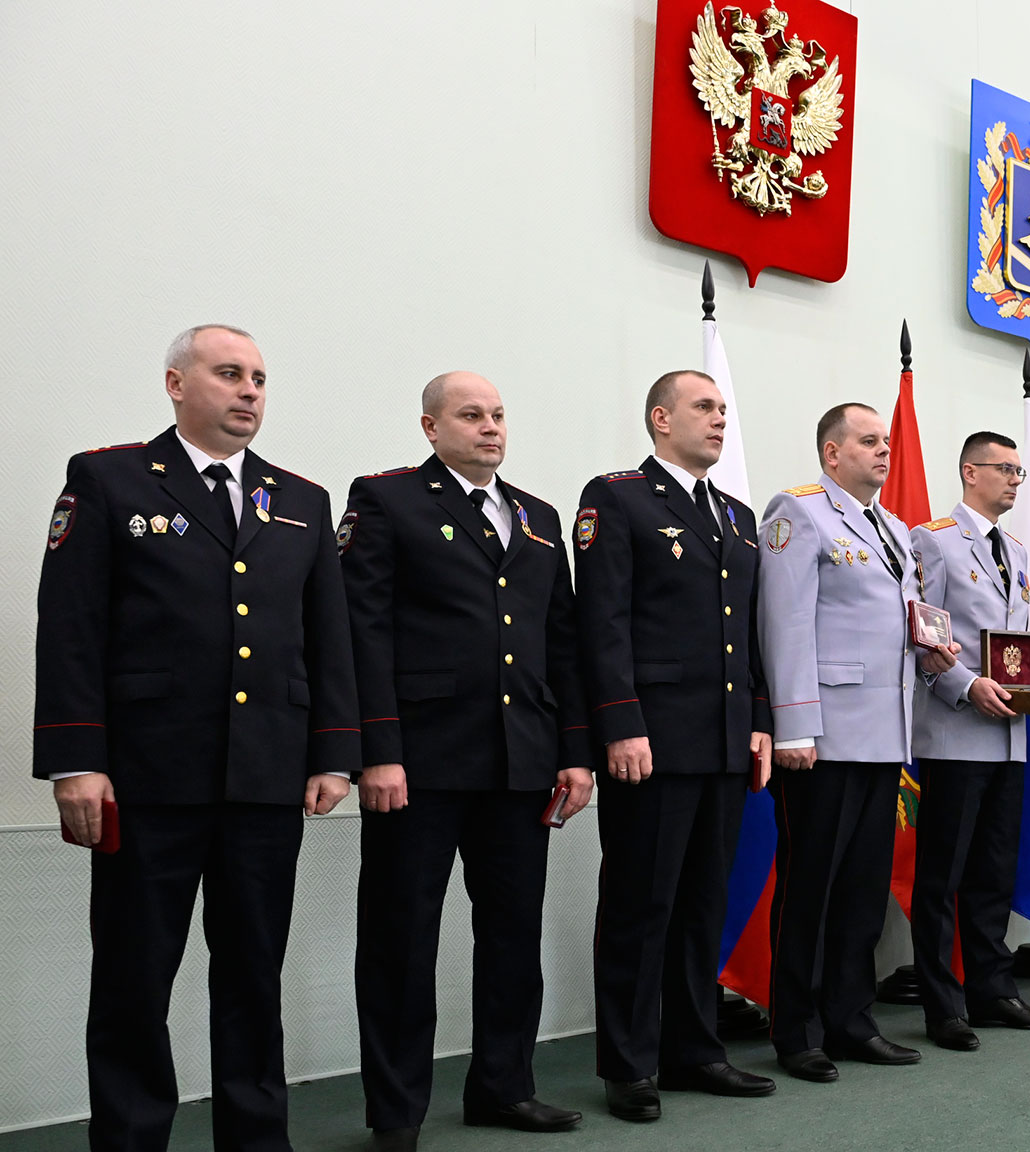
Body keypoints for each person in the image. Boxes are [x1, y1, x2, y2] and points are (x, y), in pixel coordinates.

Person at [34, 324, 356, 1152]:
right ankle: (131, 1138)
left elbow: (328, 639)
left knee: (253, 975)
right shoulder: (109, 479)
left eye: (259, 378)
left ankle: (256, 1138)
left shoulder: (301, 500)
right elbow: (70, 627)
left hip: (266, 777)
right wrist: (76, 761)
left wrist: (333, 752)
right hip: (148, 777)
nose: (249, 390)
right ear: (177, 384)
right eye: (229, 373)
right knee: (135, 978)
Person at [341, 372, 590, 1149]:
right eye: (471, 415)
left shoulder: (537, 516)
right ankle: (396, 1111)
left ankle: (503, 1087)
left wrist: (574, 752)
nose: (490, 427)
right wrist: (377, 751)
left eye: (498, 415)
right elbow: (363, 632)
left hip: (521, 762)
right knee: (401, 938)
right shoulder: (387, 501)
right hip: (420, 763)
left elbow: (561, 643)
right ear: (431, 427)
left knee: (513, 934)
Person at [573, 370, 776, 1120]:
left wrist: (759, 718)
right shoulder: (617, 497)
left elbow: (747, 629)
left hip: (723, 740)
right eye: (704, 407)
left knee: (702, 903)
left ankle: (694, 1050)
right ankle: (629, 1063)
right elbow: (602, 622)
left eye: (724, 408)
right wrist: (620, 722)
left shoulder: (736, 514)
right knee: (641, 903)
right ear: (661, 419)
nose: (720, 419)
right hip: (651, 741)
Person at [758, 403, 921, 1080]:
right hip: (823, 737)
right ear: (832, 453)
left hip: (884, 734)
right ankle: (796, 1030)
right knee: (811, 890)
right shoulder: (798, 512)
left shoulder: (894, 528)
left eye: (886, 441)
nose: (884, 451)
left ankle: (851, 1020)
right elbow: (785, 622)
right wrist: (795, 724)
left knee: (861, 891)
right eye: (869, 441)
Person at [906, 431, 1030, 1052]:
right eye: (1006, 469)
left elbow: (1014, 643)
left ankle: (993, 992)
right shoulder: (933, 540)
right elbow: (923, 635)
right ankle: (943, 1005)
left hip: (1008, 735)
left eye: (1020, 472)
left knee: (994, 872)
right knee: (942, 877)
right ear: (970, 472)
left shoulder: (1018, 551)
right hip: (954, 732)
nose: (1016, 481)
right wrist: (965, 684)